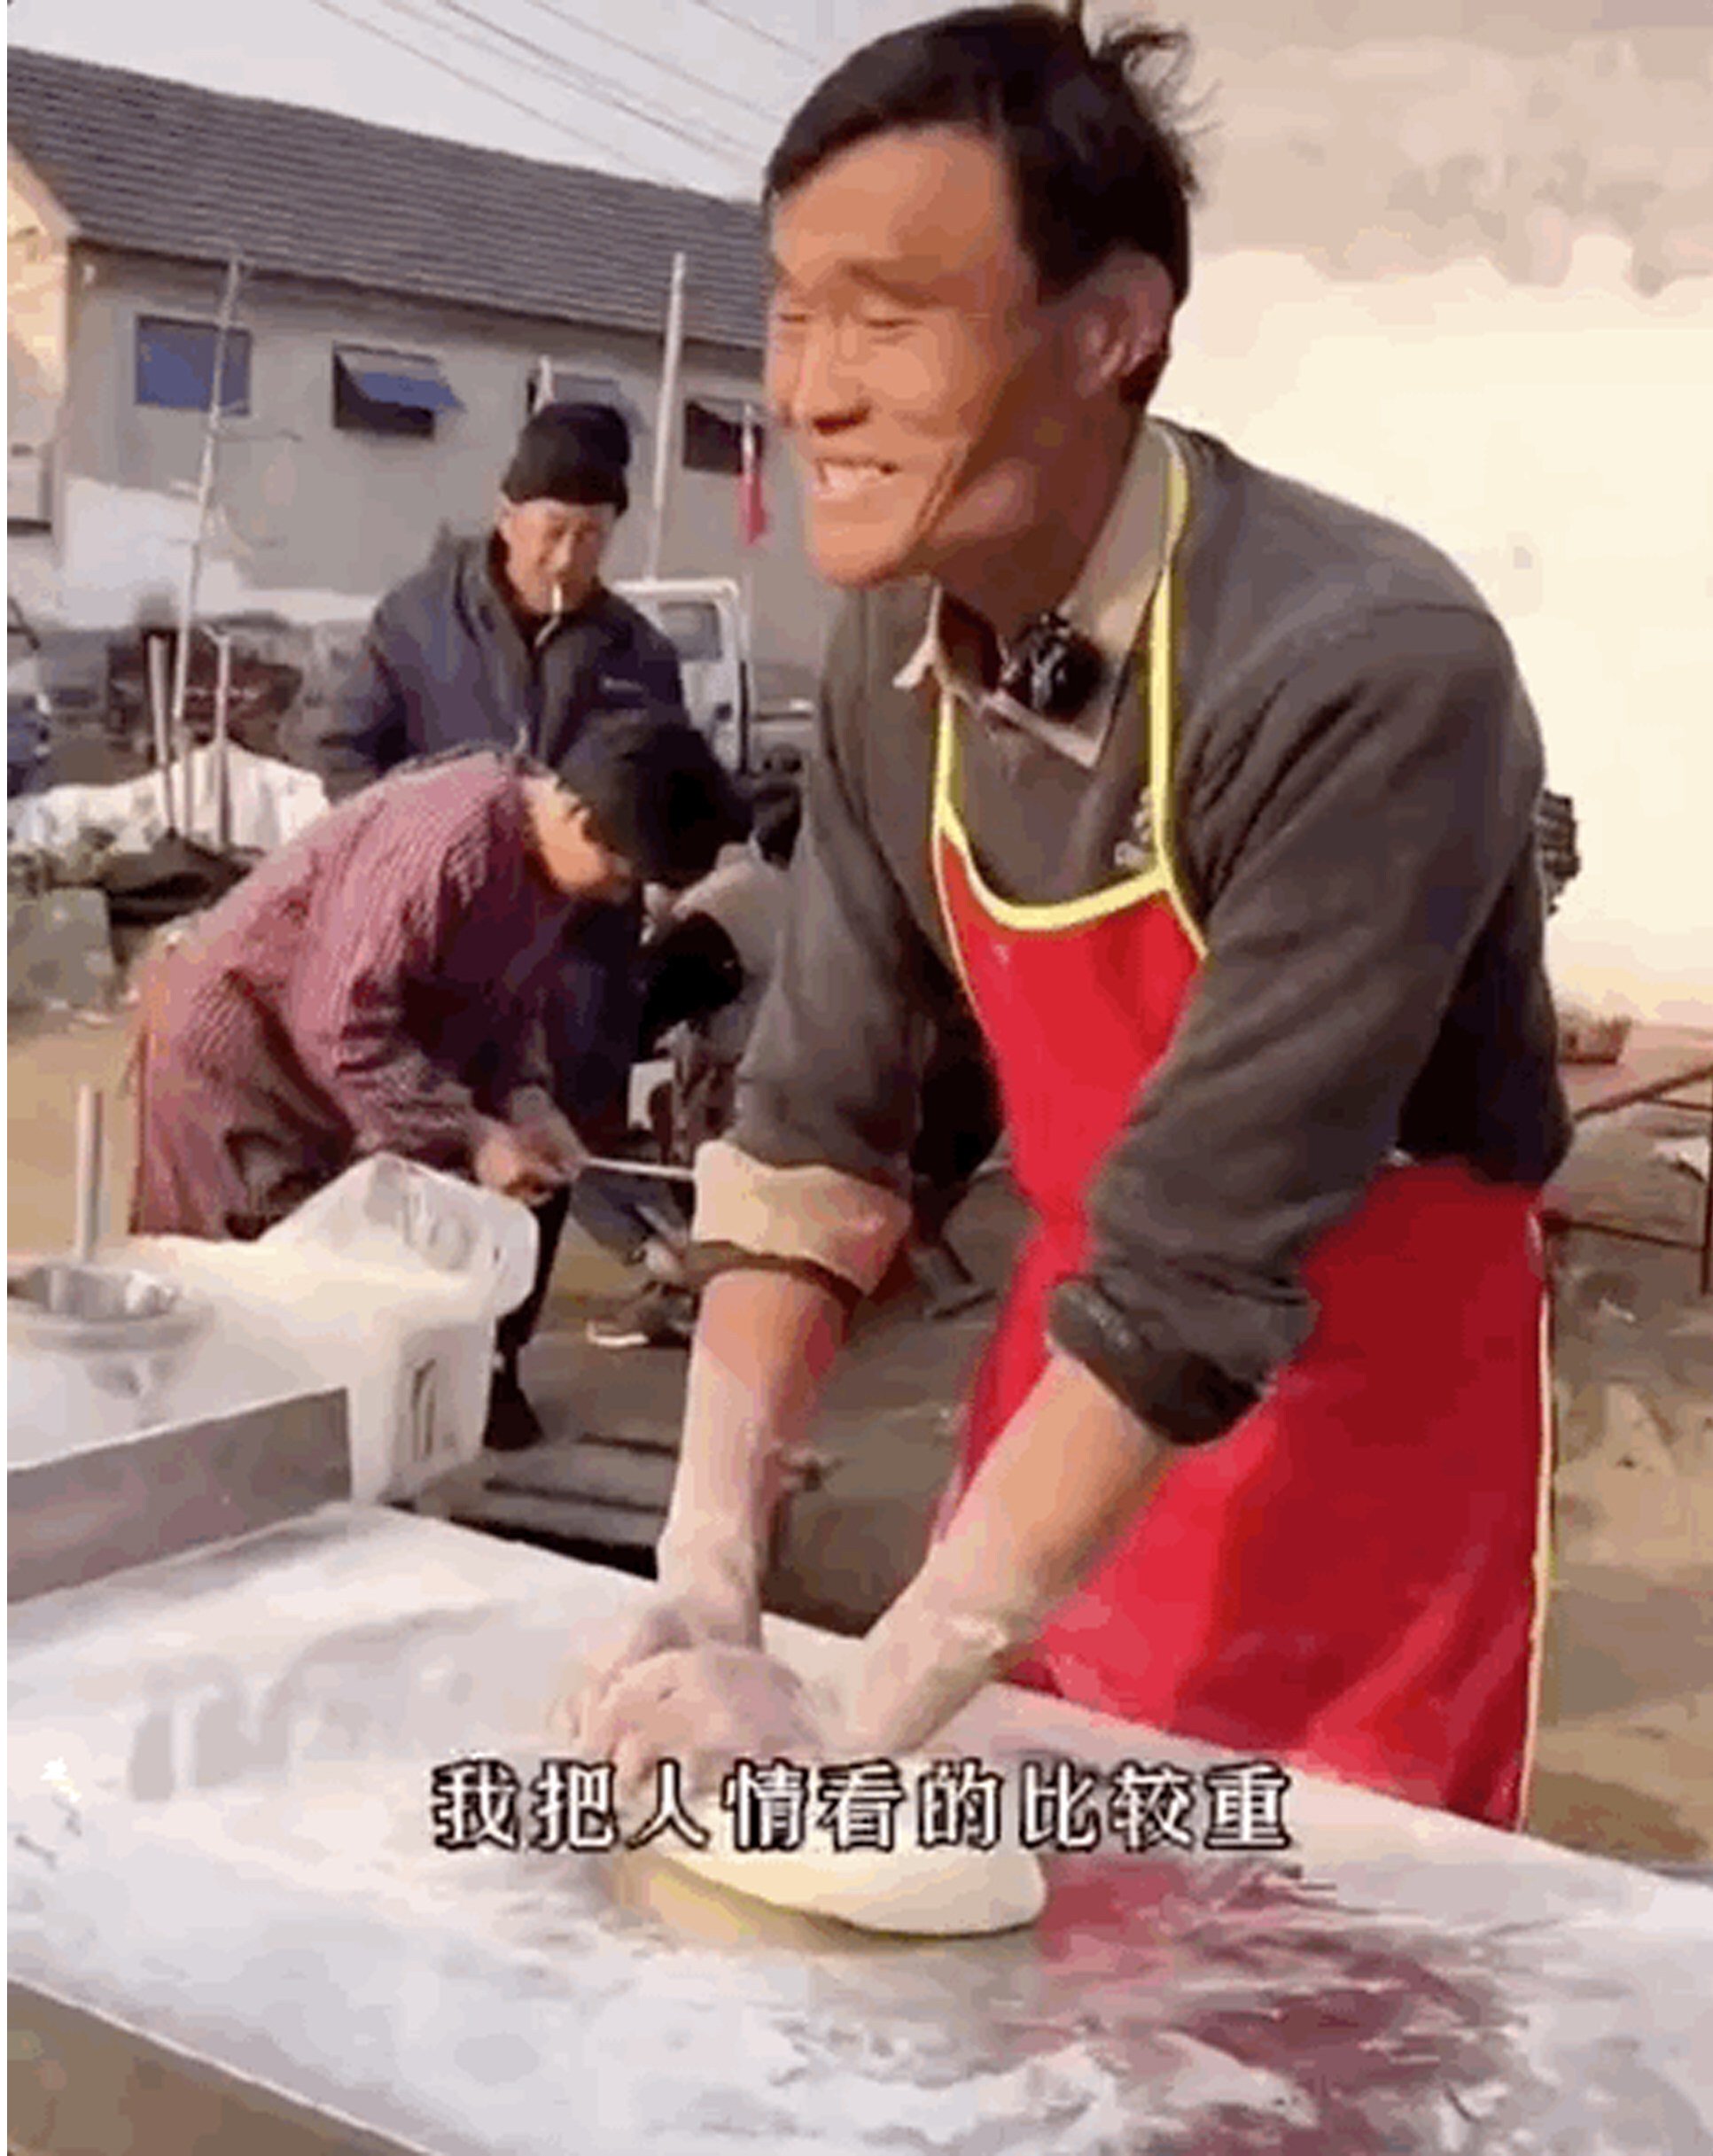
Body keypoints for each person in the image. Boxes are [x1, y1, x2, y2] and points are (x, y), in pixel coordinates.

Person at [576, 5, 1571, 1831]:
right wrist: (706, 1572)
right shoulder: (895, 639)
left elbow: (1196, 1269)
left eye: (886, 318)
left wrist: (856, 1723)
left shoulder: (1362, 669)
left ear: (1111, 328)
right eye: (793, 316)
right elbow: (821, 1131)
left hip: (1353, 1458)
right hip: (1065, 1401)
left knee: (1286, 2019)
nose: (808, 390)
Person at [311, 401, 706, 1445]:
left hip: (576, 964)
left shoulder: (637, 651)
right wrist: (402, 860)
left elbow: (662, 785)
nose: (569, 553)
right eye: (551, 528)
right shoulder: (417, 620)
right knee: (426, 1141)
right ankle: (401, 1359)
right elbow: (346, 751)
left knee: (542, 1159)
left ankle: (498, 1359)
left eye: (593, 533)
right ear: (503, 513)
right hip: (438, 948)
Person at [128, 719, 741, 1379]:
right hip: (236, 1055)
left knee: (312, 1295)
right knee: (239, 1298)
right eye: (622, 876)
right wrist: (473, 1134)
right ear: (580, 816)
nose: (620, 896)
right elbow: (340, 1024)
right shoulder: (447, 844)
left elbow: (508, 1003)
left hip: (319, 1070)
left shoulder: (545, 869)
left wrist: (527, 1100)